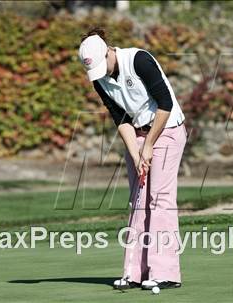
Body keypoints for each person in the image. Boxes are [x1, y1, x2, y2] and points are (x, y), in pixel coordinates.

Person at [78, 27, 187, 290]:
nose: (100, 74)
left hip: (167, 129)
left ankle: (166, 272)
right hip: (136, 133)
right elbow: (121, 118)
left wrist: (148, 146)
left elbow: (165, 103)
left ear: (108, 51)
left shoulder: (139, 60)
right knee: (138, 201)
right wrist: (136, 151)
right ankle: (134, 272)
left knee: (159, 199)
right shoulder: (99, 79)